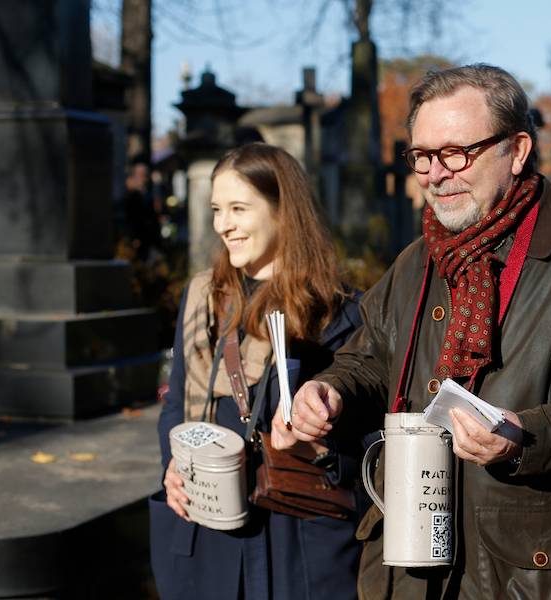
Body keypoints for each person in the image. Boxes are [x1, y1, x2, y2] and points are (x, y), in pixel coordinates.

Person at [287, 64, 551, 599]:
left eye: (456, 153)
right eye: (422, 156)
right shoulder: (416, 261)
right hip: (413, 570)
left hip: (536, 574)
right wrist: (331, 390)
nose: (435, 174)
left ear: (516, 151)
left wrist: (528, 435)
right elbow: (370, 360)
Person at [149, 143, 365, 600]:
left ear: (283, 212)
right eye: (217, 210)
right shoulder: (204, 298)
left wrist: (319, 444)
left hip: (294, 538)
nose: (222, 225)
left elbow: (365, 436)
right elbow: (176, 402)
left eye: (238, 209)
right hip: (208, 529)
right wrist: (173, 464)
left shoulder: (337, 311)